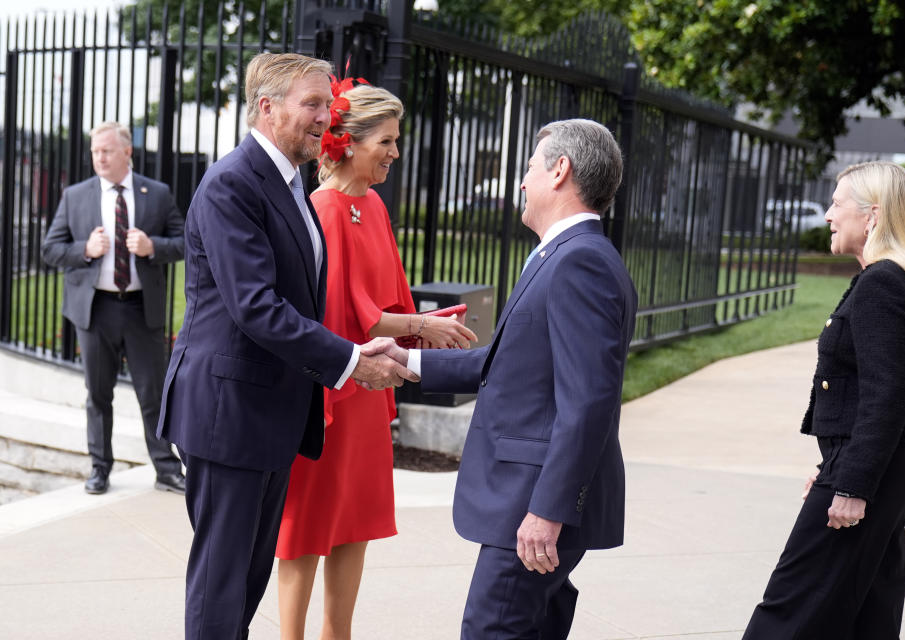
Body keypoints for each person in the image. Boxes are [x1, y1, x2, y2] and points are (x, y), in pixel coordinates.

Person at [156, 52, 416, 640]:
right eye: (313, 104)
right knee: (222, 585)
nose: (327, 116)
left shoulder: (290, 182)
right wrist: (351, 361)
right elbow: (256, 307)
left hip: (271, 416)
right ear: (268, 108)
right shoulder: (232, 184)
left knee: (248, 583)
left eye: (328, 103)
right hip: (228, 415)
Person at [372, 118, 637, 638]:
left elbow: (588, 403)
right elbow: (514, 365)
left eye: (531, 166)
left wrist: (548, 510)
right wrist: (407, 362)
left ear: (560, 170)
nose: (521, 180)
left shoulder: (579, 262)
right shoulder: (562, 255)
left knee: (492, 629)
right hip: (529, 498)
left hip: (533, 503)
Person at [274, 80, 477, 640]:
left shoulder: (373, 206)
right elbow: (343, 319)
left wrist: (424, 326)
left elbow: (386, 305)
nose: (393, 152)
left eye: (395, 140)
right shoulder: (324, 210)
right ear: (347, 142)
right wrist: (419, 325)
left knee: (353, 521)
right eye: (384, 141)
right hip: (331, 391)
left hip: (367, 395)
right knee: (309, 524)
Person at [742, 161, 905, 639]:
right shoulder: (899, 277)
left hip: (873, 468)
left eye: (836, 204)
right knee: (868, 610)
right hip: (884, 462)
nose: (829, 216)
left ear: (872, 216)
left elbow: (887, 395)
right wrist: (837, 458)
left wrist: (852, 481)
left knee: (789, 607)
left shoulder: (883, 282)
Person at [41, 121, 186, 496]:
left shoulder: (156, 193)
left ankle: (166, 468)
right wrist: (84, 251)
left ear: (127, 153)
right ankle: (100, 468)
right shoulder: (76, 196)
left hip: (141, 309)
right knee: (98, 394)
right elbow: (50, 249)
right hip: (96, 310)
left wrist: (152, 246)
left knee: (153, 393)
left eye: (106, 150)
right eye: (94, 151)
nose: (99, 157)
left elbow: (185, 241)